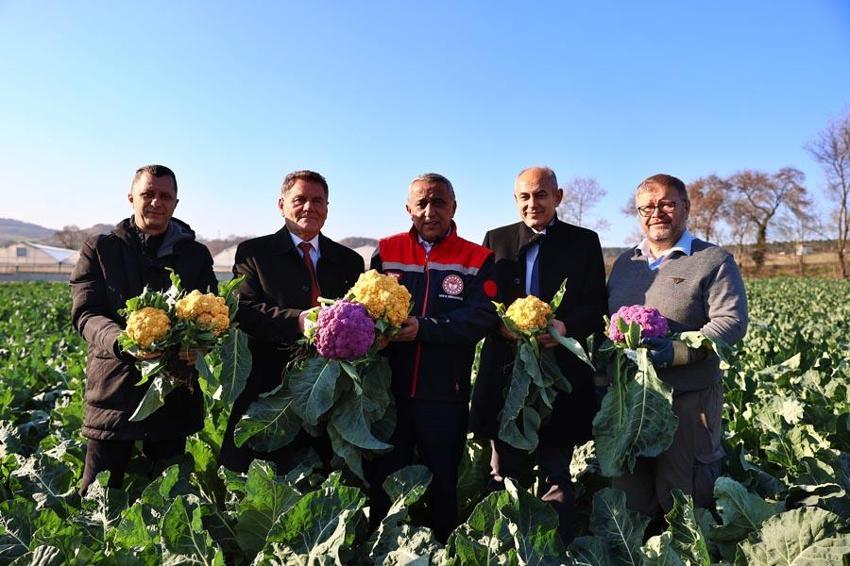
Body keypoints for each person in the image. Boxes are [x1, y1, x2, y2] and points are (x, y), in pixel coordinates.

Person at [469, 165, 607, 545]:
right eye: (525, 197)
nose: (533, 204)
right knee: (502, 472)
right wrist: (499, 324)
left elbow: (596, 304)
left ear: (558, 197)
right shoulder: (495, 240)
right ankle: (501, 545)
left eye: (542, 195)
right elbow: (483, 300)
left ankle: (554, 547)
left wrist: (564, 328)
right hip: (505, 372)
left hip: (559, 372)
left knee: (556, 470)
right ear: (516, 200)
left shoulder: (583, 242)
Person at [366, 173, 499, 542]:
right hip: (388, 395)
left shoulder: (477, 258)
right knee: (385, 485)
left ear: (453, 207)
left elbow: (482, 317)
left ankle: (442, 548)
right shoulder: (386, 250)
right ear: (408, 208)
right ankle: (383, 549)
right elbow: (363, 307)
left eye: (438, 202)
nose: (429, 211)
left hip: (445, 395)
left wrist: (424, 328)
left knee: (442, 484)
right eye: (421, 203)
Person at [607, 173, 748, 520]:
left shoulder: (712, 260)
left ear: (685, 207)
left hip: (688, 399)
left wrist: (679, 352)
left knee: (684, 496)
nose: (656, 213)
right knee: (631, 495)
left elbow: (731, 322)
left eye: (667, 203)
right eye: (647, 207)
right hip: (631, 401)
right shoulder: (626, 263)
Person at [70, 164, 218, 493]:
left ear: (175, 203)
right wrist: (123, 341)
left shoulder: (195, 255)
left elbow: (212, 313)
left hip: (174, 392)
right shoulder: (100, 248)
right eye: (148, 194)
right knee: (99, 494)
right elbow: (86, 313)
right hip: (113, 390)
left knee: (168, 500)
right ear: (131, 198)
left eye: (165, 196)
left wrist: (199, 346)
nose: (156, 202)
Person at [219, 170, 364, 473]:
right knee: (254, 472)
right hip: (267, 384)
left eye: (317, 200)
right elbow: (244, 310)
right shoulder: (254, 253)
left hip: (329, 390)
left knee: (324, 480)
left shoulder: (350, 261)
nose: (309, 207)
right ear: (281, 204)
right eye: (299, 199)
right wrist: (299, 322)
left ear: (327, 207)